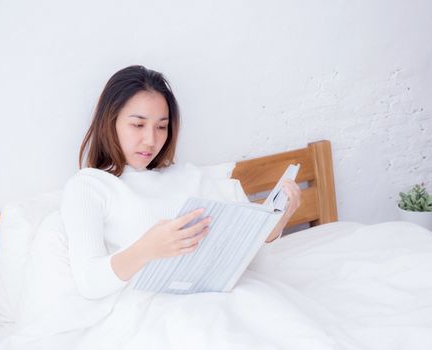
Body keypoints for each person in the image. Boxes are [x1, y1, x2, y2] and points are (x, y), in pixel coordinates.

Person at [60, 65, 301, 300]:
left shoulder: (190, 177)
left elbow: (249, 266)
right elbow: (89, 283)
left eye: (162, 127)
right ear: (109, 121)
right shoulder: (90, 186)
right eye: (138, 125)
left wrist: (273, 228)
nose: (151, 140)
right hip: (152, 310)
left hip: (213, 298)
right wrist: (145, 249)